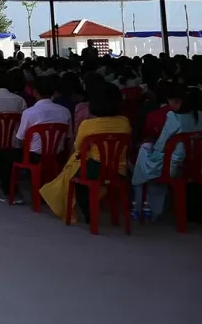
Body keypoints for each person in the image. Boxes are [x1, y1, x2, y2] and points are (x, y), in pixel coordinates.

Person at [40, 82, 131, 222]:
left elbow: (78, 147)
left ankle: (88, 213)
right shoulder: (124, 122)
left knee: (74, 172)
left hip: (96, 167)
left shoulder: (88, 125)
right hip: (119, 169)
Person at [0, 75, 72, 204]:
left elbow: (20, 139)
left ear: (35, 92)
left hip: (33, 155)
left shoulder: (30, 112)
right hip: (57, 155)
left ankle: (12, 194)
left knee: (3, 155)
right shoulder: (65, 111)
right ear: (54, 92)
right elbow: (69, 137)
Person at [131, 84, 201, 219]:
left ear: (177, 102)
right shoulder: (200, 116)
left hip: (174, 164)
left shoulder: (173, 117)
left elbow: (160, 145)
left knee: (143, 155)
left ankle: (139, 206)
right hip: (196, 163)